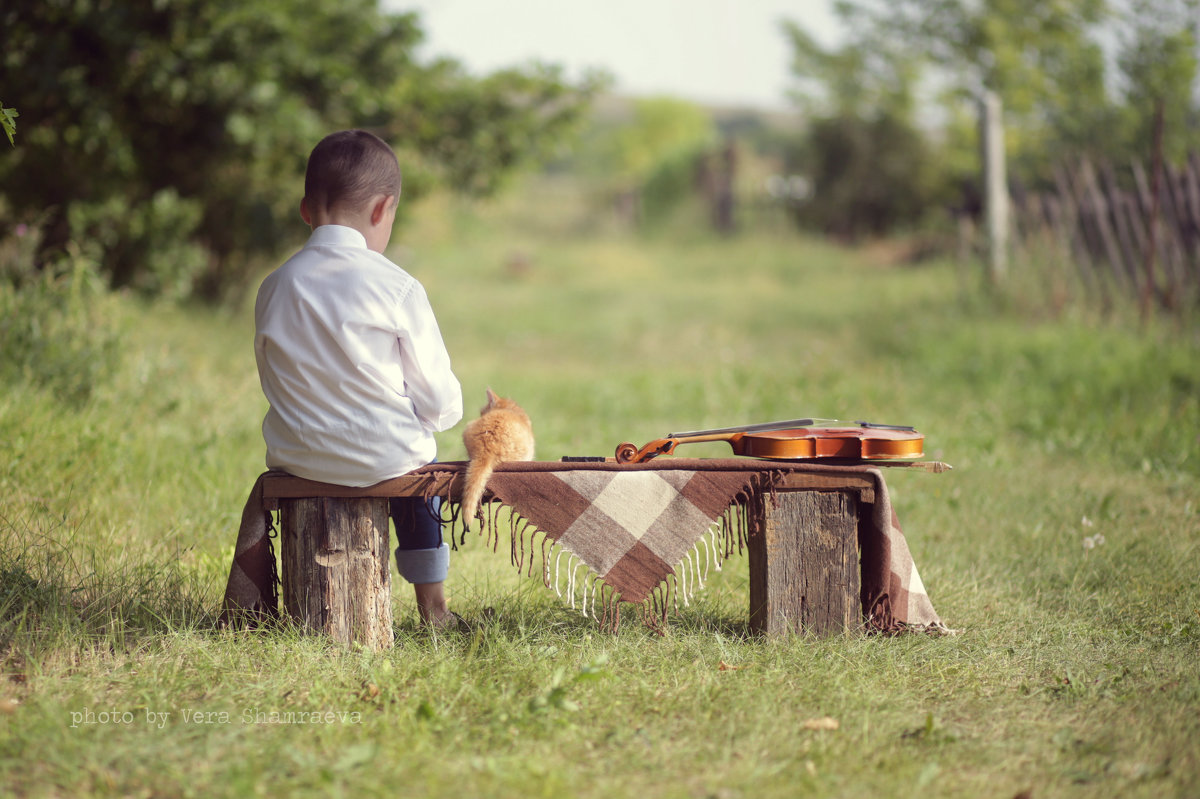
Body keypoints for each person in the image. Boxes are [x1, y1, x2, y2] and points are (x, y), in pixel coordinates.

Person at [252, 129, 463, 628]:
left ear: (306, 211)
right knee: (420, 463)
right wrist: (431, 413)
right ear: (382, 210)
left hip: (297, 456)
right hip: (384, 458)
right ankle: (433, 606)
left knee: (401, 448)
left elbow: (271, 375)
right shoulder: (396, 286)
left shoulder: (274, 285)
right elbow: (437, 402)